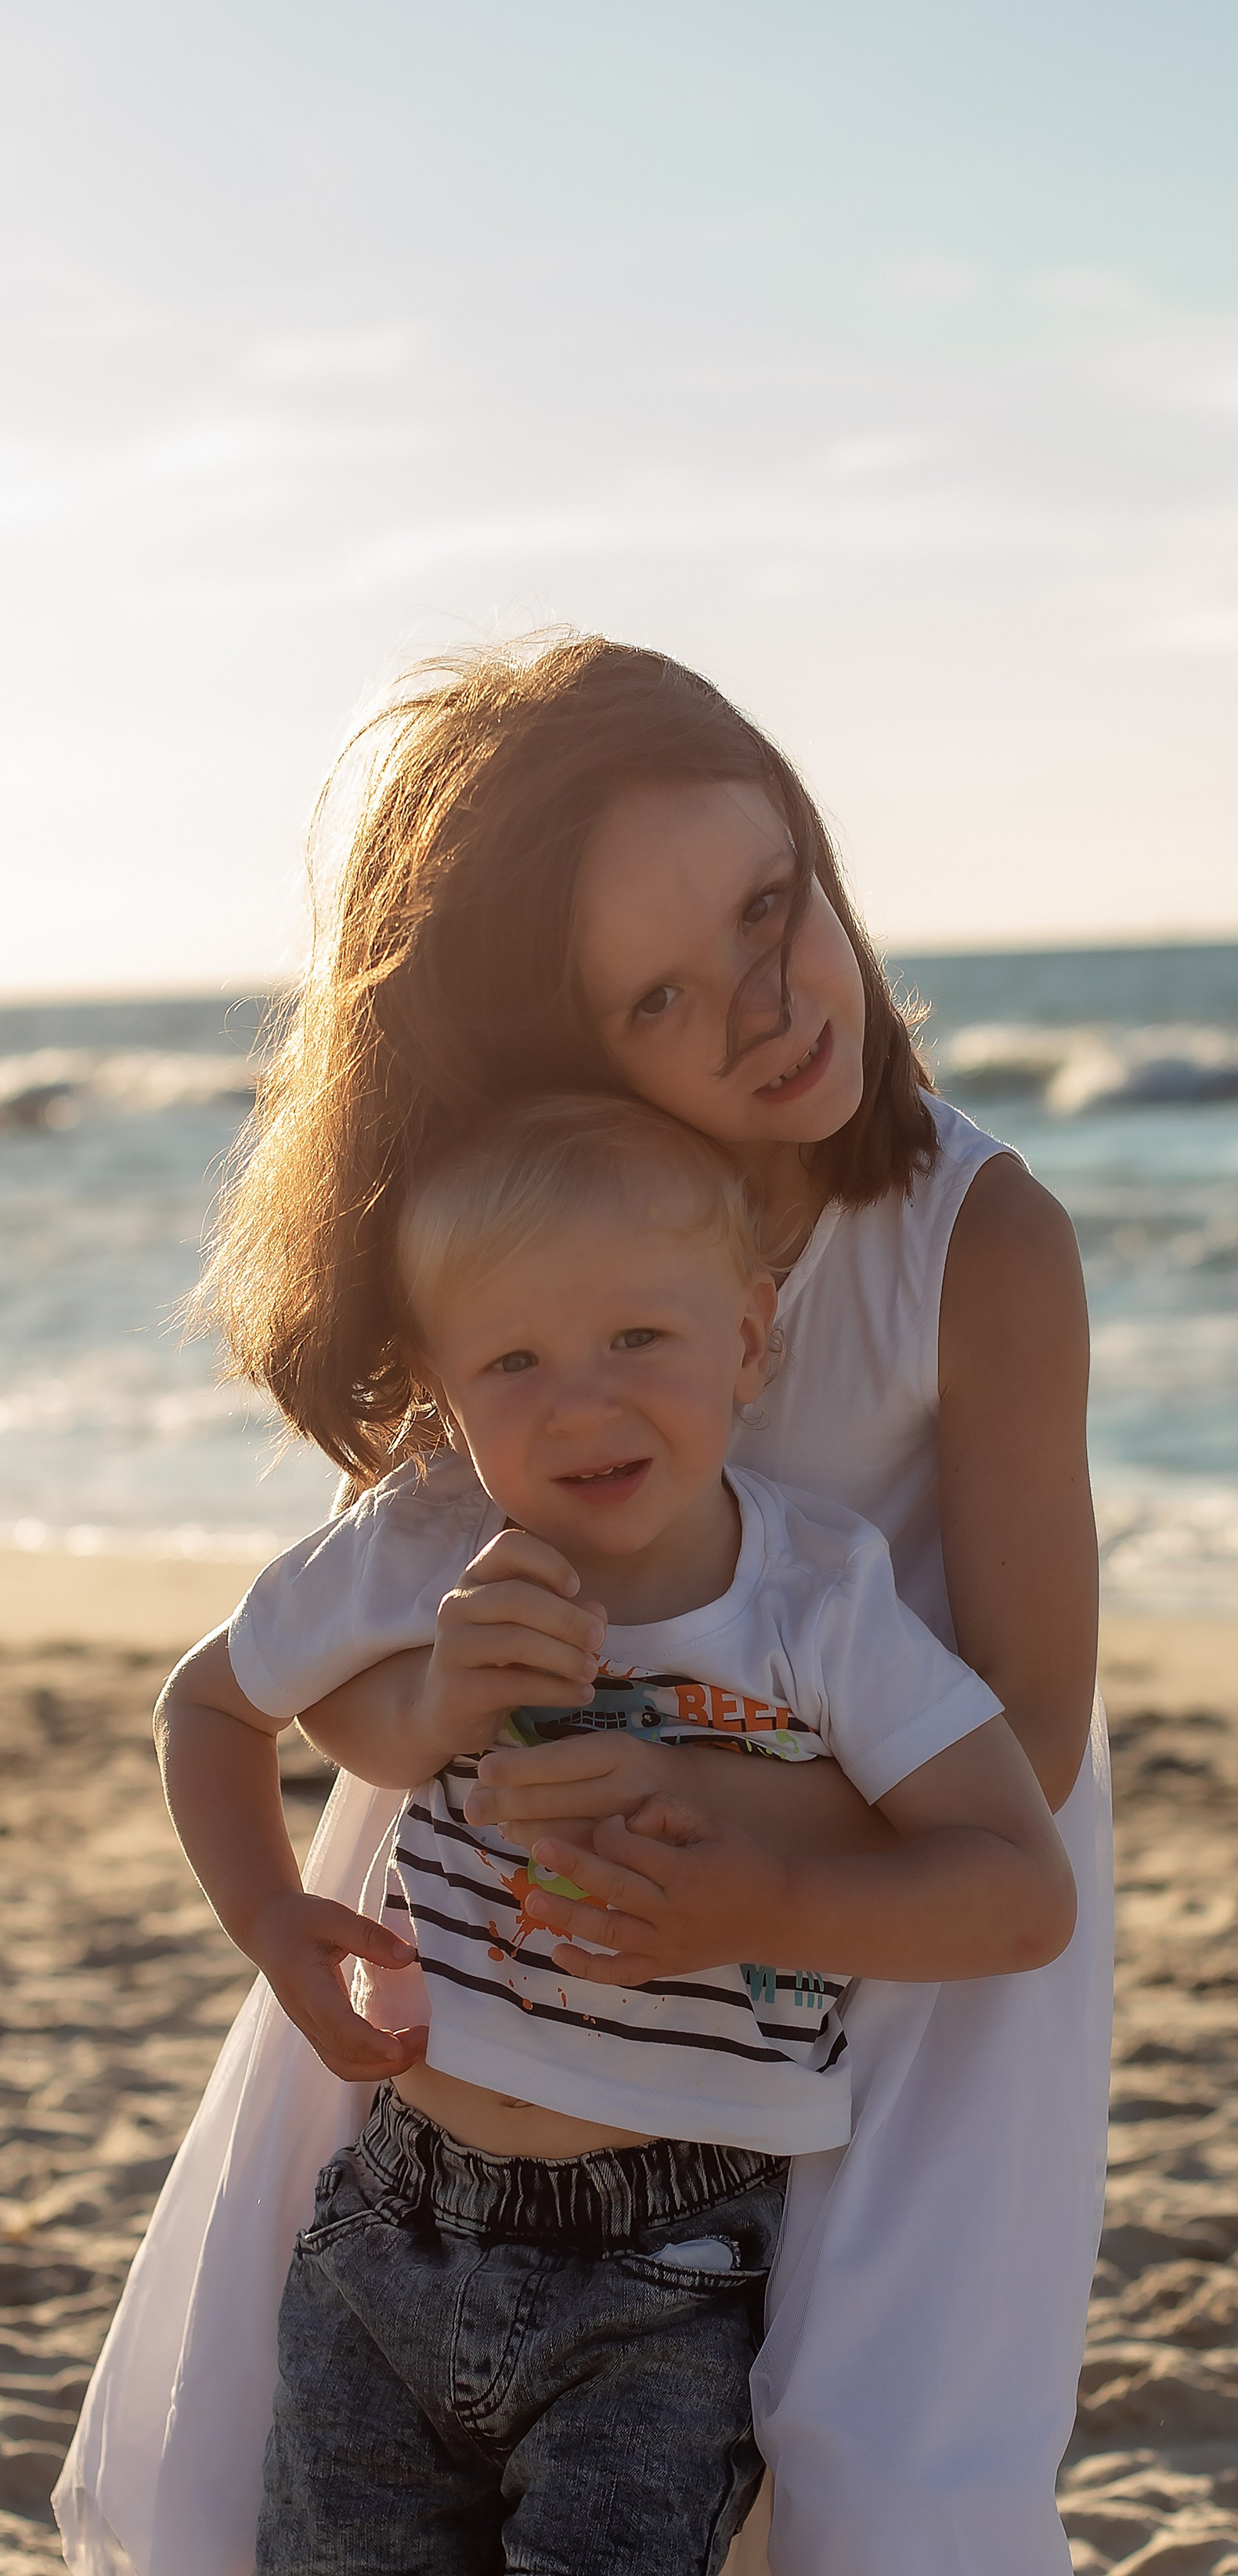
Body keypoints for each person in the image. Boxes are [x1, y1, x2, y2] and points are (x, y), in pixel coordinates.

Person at [56, 637, 1113, 2576]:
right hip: (512, 1940)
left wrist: (728, 1851)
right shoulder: (544, 1255)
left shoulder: (975, 1242)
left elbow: (1031, 1729)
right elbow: (362, 1673)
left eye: (770, 907)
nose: (764, 1005)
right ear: (562, 1043)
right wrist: (440, 1729)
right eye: (658, 995)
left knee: (870, 2472)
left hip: (893, 1894)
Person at [154, 1093, 1073, 2574]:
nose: (582, 1406)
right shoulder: (431, 1544)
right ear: (445, 1392)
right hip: (390, 2225)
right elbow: (206, 1705)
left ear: (751, 1340)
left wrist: (761, 1904)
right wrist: (269, 1913)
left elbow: (1023, 1891)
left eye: (640, 1338)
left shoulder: (817, 1604)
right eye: (514, 1362)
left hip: (672, 2271)